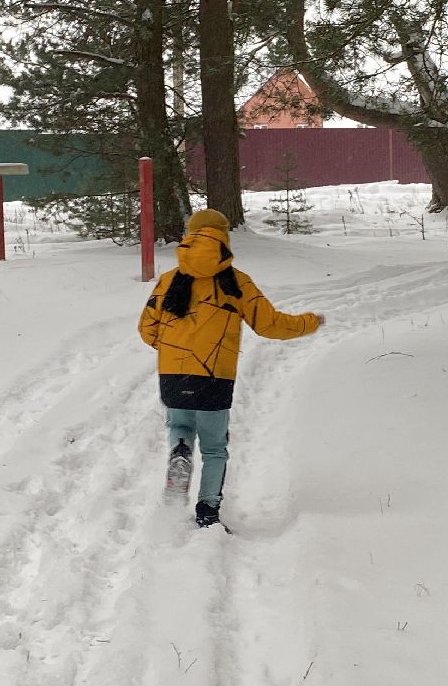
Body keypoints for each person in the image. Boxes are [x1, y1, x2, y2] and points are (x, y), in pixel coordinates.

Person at [138, 208, 322, 528]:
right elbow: (269, 324)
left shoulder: (169, 280)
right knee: (214, 448)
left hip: (172, 374)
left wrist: (169, 348)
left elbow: (146, 328)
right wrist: (309, 323)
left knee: (180, 428)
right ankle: (207, 511)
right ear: (223, 237)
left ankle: (180, 453)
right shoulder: (236, 282)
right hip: (213, 376)